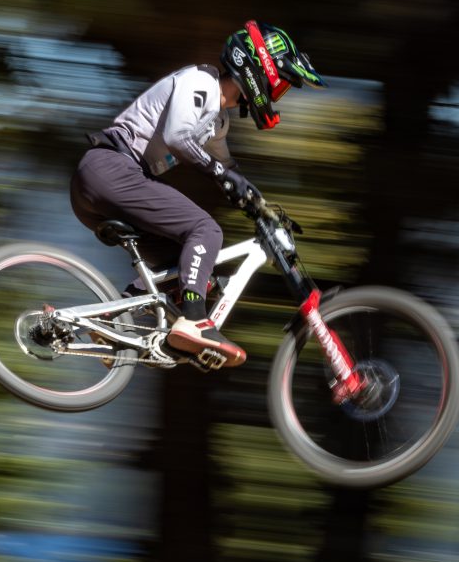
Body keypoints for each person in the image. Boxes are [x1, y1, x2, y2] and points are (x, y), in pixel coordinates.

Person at [69, 20, 326, 367]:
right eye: (280, 85)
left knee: (185, 269)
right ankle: (193, 321)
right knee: (206, 231)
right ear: (259, 68)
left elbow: (227, 169)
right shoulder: (199, 82)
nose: (277, 95)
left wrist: (257, 202)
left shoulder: (218, 122)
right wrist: (222, 174)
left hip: (105, 182)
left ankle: (111, 318)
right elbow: (179, 137)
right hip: (110, 168)